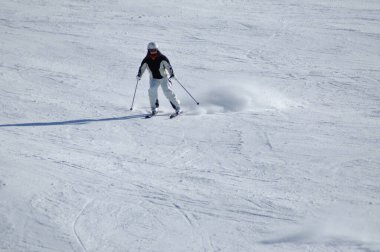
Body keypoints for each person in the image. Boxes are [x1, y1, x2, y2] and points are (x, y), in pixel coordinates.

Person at [136, 42, 181, 116]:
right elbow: (142, 68)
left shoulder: (162, 58)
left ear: (157, 49)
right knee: (152, 90)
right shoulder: (146, 59)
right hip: (153, 79)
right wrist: (139, 75)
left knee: (167, 91)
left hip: (164, 78)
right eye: (151, 50)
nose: (153, 52)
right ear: (148, 50)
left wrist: (172, 74)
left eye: (155, 50)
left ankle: (177, 107)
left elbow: (168, 66)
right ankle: (154, 108)